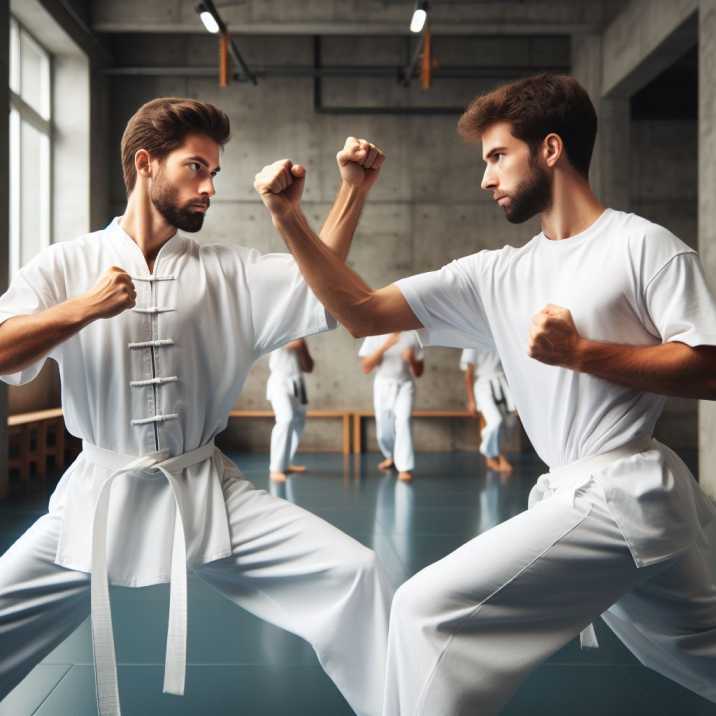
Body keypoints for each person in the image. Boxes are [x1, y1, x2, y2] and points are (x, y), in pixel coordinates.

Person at [253, 73, 716, 715]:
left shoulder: (643, 247)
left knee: (426, 609)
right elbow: (360, 311)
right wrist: (289, 218)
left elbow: (708, 367)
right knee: (704, 648)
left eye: (497, 156)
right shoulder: (496, 274)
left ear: (550, 149)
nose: (485, 177)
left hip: (624, 493)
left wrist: (583, 354)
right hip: (586, 493)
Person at [0, 98, 391, 716]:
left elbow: (321, 284)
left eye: (215, 172)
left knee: (356, 574)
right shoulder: (66, 264)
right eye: (196, 168)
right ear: (146, 163)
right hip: (94, 497)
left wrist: (352, 191)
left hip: (205, 492)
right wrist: (84, 308)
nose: (210, 186)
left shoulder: (229, 269)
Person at [359, 331, 424, 481]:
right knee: (384, 430)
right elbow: (366, 367)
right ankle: (390, 456)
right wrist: (386, 345)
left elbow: (419, 372)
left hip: (405, 385)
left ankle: (405, 467)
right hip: (383, 385)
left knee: (403, 421)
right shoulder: (374, 335)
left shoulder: (413, 336)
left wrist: (412, 359)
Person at [460, 347, 516, 472]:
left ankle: (500, 457)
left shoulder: (498, 337)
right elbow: (468, 375)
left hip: (502, 383)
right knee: (495, 421)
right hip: (483, 386)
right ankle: (489, 454)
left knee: (510, 422)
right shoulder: (471, 342)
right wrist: (471, 401)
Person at [267, 338, 313, 482]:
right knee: (286, 419)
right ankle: (275, 469)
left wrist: (302, 346)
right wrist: (297, 343)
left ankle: (285, 463)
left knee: (299, 422)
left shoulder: (301, 337)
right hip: (279, 383)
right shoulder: (277, 332)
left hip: (297, 383)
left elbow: (309, 367)